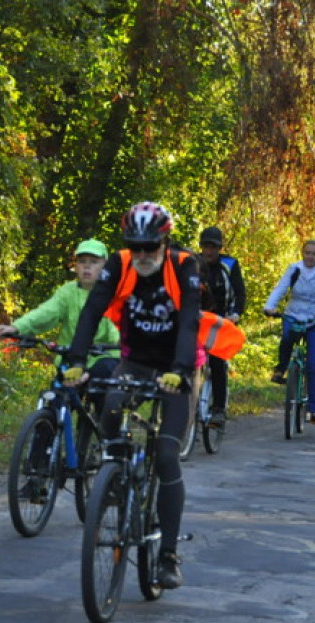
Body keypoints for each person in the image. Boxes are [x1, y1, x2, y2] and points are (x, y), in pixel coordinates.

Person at [62, 202, 200, 590]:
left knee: (168, 455)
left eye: (149, 248)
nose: (141, 255)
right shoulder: (119, 264)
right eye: (134, 247)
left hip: (175, 367)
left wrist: (180, 371)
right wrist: (76, 360)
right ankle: (116, 476)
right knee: (110, 406)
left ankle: (169, 556)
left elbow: (190, 320)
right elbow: (92, 310)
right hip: (136, 362)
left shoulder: (184, 266)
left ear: (164, 242)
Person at [0, 239, 120, 386]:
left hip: (102, 358)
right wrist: (17, 327)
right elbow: (47, 312)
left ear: (104, 266)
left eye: (93, 262)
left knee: (101, 386)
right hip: (70, 358)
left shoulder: (113, 294)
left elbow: (116, 328)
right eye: (82, 261)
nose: (87, 266)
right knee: (57, 397)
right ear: (76, 267)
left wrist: (118, 343)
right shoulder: (68, 291)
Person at [263, 239, 315, 424]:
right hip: (293, 314)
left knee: (312, 365)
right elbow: (280, 288)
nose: (311, 257)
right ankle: (281, 369)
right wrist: (270, 306)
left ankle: (314, 408)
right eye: (308, 253)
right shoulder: (294, 269)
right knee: (287, 339)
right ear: (302, 253)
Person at [198, 226, 247, 426]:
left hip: (220, 321)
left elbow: (239, 293)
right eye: (205, 246)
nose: (209, 251)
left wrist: (234, 314)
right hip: (196, 319)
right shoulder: (192, 262)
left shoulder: (230, 264)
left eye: (213, 247)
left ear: (220, 248)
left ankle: (218, 408)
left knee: (218, 362)